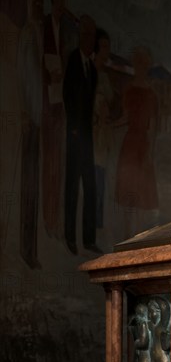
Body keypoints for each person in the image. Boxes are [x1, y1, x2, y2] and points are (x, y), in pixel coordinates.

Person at [62, 14, 100, 255]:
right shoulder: (74, 61)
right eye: (85, 35)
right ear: (80, 37)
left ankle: (88, 238)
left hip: (87, 135)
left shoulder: (93, 70)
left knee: (91, 186)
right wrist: (74, 127)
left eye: (91, 36)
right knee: (72, 186)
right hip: (75, 134)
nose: (88, 39)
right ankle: (70, 237)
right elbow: (67, 93)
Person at [115, 46, 159, 239]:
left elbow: (155, 126)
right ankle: (126, 235)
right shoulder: (129, 90)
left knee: (142, 193)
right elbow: (125, 116)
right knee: (127, 191)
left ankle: (138, 237)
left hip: (143, 144)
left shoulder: (151, 93)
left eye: (144, 63)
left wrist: (151, 151)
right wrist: (109, 125)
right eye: (138, 62)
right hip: (130, 143)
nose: (140, 66)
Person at [17, 0, 44, 269]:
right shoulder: (27, 35)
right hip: (29, 120)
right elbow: (23, 78)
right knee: (27, 187)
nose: (37, 8)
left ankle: (31, 249)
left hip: (37, 120)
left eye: (40, 4)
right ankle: (25, 249)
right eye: (34, 3)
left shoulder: (37, 34)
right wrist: (25, 112)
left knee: (33, 187)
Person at [41, 0, 67, 239]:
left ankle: (53, 220)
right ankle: (47, 218)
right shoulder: (45, 25)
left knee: (57, 164)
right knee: (48, 162)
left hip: (60, 107)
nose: (60, 0)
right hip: (47, 104)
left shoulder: (65, 30)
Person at [92, 28, 114, 233]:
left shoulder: (105, 78)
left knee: (101, 178)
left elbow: (110, 102)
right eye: (104, 46)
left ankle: (98, 221)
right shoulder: (90, 72)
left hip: (103, 135)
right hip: (92, 134)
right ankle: (91, 221)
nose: (107, 51)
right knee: (93, 179)